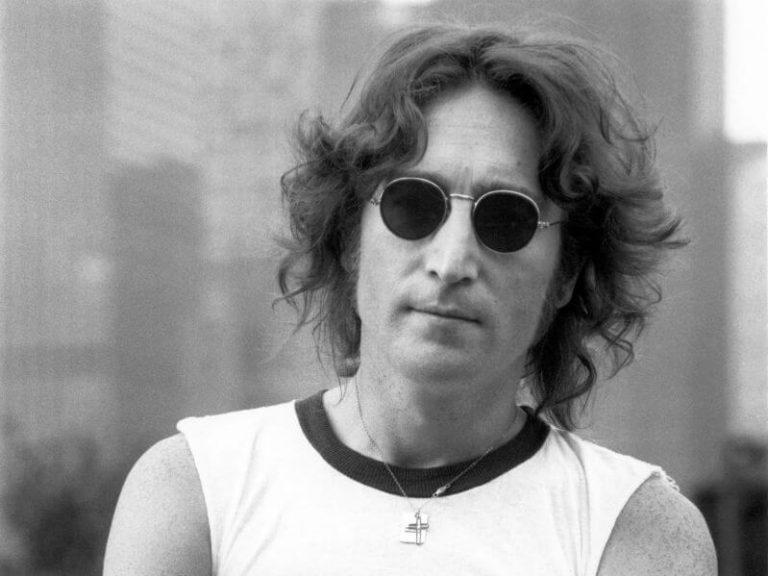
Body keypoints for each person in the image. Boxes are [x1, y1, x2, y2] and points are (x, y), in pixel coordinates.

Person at [104, 22, 717, 575]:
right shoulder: (196, 491)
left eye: (507, 219)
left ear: (565, 274)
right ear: (351, 239)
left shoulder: (634, 531)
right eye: (413, 205)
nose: (451, 261)